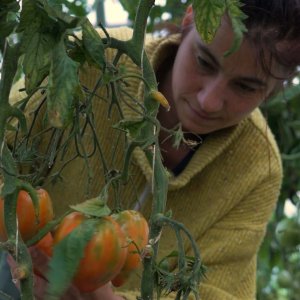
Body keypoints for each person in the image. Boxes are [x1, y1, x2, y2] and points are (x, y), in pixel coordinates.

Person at [2, 1, 300, 299]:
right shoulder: (91, 62)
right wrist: (19, 241)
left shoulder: (258, 168)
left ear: (277, 86)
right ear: (189, 17)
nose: (209, 101)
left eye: (245, 87)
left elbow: (221, 292)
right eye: (204, 62)